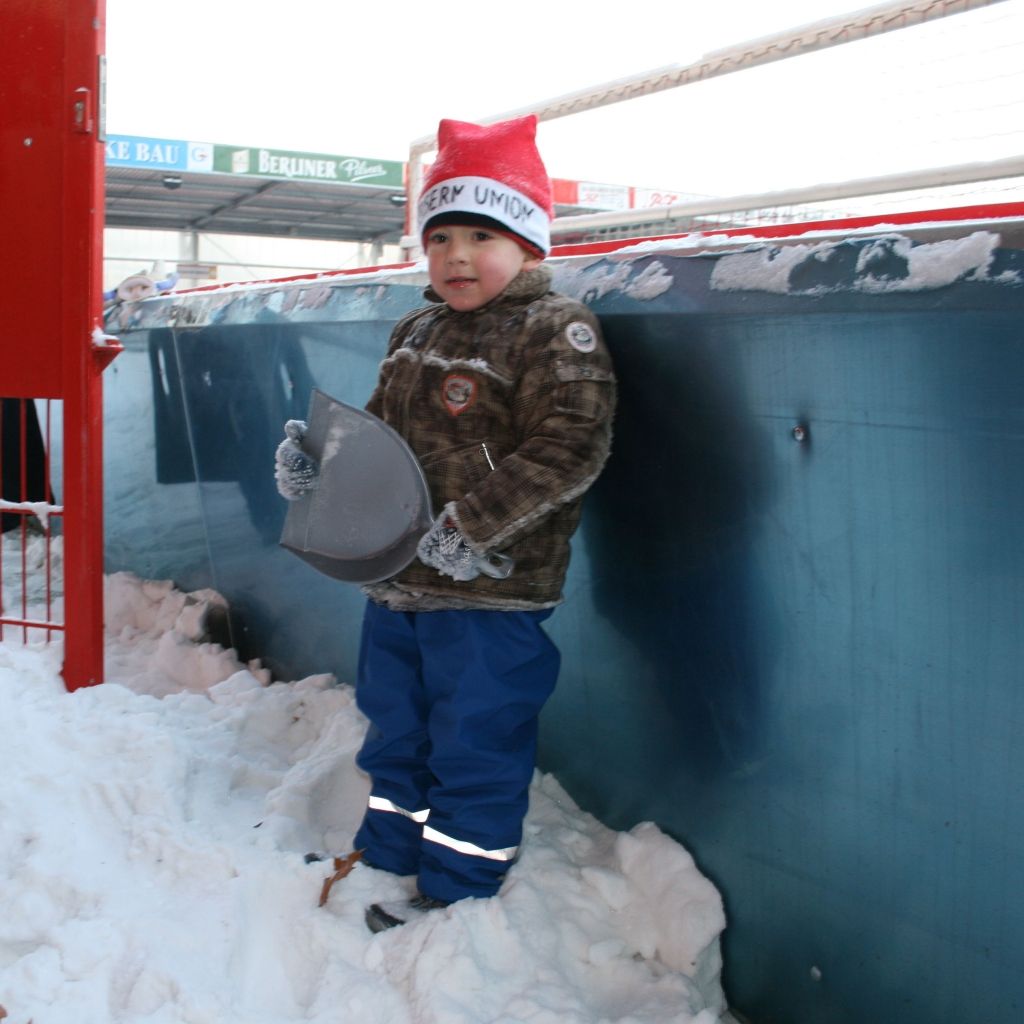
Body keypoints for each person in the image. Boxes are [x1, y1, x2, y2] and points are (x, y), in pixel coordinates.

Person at [275, 115, 616, 930]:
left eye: (481, 235)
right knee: (396, 729)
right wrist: (317, 466)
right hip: (397, 586)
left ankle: (460, 892)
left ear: (529, 245)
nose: (456, 256)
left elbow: (572, 445)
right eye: (440, 238)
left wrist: (474, 527)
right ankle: (389, 853)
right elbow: (378, 441)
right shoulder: (416, 328)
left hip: (487, 594)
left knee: (475, 738)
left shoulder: (552, 330)